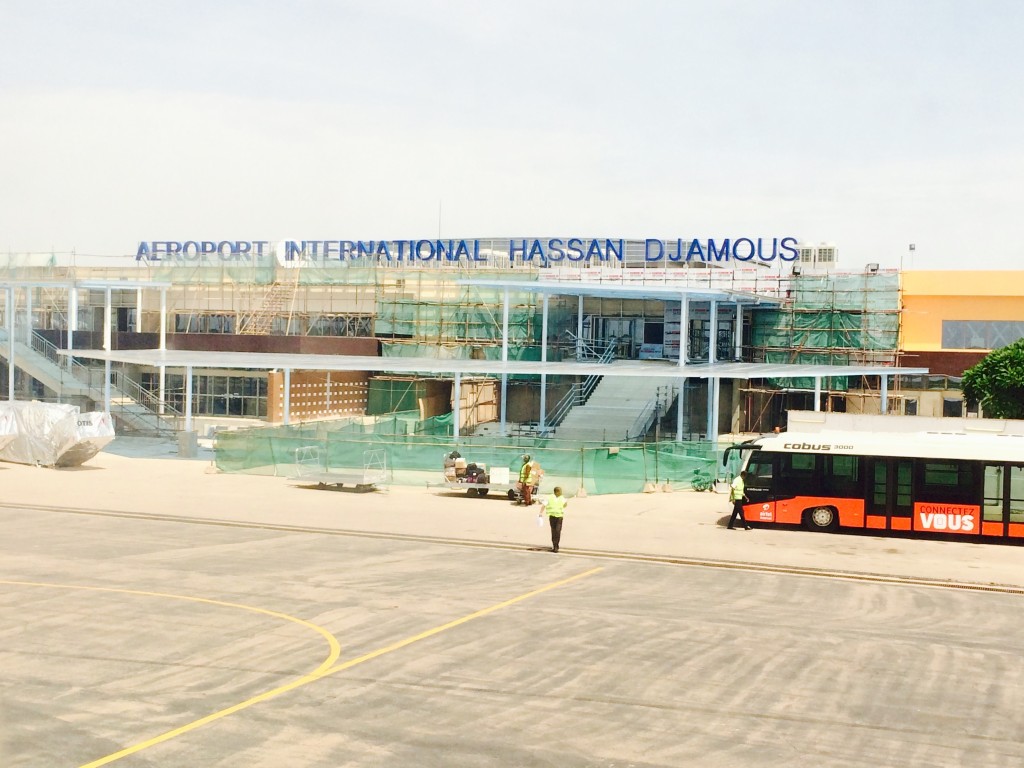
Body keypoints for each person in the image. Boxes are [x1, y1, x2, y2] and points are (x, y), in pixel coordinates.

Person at [540, 486, 568, 552]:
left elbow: (565, 504)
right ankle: (554, 545)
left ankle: (556, 546)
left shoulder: (562, 498)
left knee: (558, 531)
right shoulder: (549, 497)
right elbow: (544, 505)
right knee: (553, 531)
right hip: (552, 517)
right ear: (556, 492)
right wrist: (540, 513)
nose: (561, 492)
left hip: (559, 517)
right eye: (560, 491)